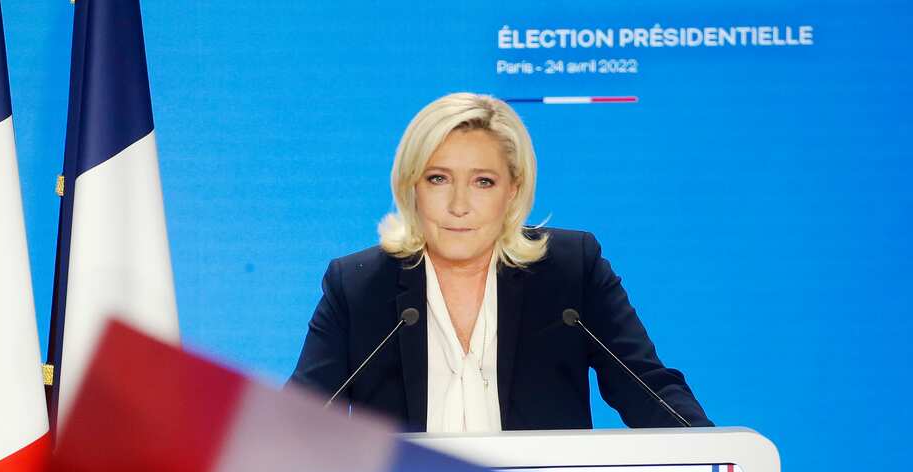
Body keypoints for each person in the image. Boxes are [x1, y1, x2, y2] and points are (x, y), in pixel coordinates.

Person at [290, 92, 711, 432]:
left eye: (483, 182)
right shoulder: (358, 287)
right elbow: (297, 421)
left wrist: (721, 464)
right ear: (411, 186)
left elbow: (648, 390)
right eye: (438, 179)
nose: (459, 205)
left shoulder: (570, 272)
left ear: (512, 190)